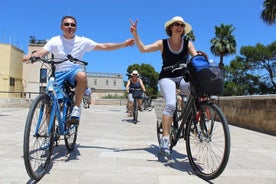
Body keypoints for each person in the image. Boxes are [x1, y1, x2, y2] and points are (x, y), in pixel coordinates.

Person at [23, 15, 134, 124]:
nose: (69, 26)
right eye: (66, 24)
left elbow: (104, 46)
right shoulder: (55, 40)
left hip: (74, 71)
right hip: (58, 73)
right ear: (61, 27)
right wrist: (30, 56)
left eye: (72, 25)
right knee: (49, 102)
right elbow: (42, 52)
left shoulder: (82, 41)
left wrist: (123, 44)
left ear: (76, 27)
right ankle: (49, 133)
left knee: (82, 75)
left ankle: (76, 108)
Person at [129, 16, 198, 157]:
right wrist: (135, 34)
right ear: (171, 28)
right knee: (171, 104)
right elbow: (143, 49)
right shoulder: (162, 43)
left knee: (197, 89)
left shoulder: (187, 43)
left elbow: (196, 59)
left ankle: (193, 119)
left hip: (183, 77)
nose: (179, 27)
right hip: (167, 77)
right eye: (176, 24)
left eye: (181, 25)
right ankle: (165, 139)